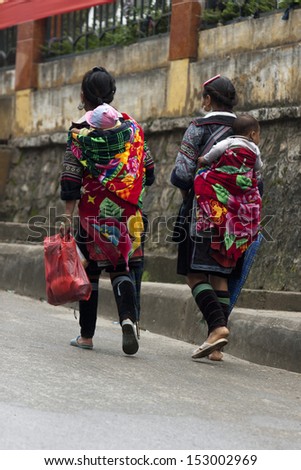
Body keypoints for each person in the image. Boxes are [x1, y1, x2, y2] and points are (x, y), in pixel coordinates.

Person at [60, 66, 154, 355]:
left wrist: (67, 214)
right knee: (120, 267)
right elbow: (148, 171)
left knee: (89, 272)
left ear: (82, 95)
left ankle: (86, 336)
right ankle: (127, 320)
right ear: (112, 93)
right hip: (126, 214)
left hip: (92, 214)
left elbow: (71, 178)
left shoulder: (79, 132)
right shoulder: (132, 128)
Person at [171, 74, 243, 361]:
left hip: (201, 213)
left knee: (194, 274)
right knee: (220, 275)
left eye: (204, 97)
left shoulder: (198, 128)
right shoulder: (244, 128)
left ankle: (216, 328)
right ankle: (218, 348)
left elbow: (182, 174)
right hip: (236, 217)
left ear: (209, 99)